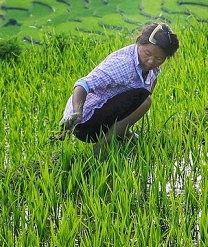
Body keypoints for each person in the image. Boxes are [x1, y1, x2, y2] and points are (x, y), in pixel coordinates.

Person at [56, 22, 179, 157]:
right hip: (85, 121)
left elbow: (134, 100)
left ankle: (121, 133)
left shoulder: (150, 68)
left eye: (159, 58)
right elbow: (83, 84)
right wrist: (77, 112)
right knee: (146, 100)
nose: (151, 61)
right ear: (139, 42)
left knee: (144, 93)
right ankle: (102, 146)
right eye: (147, 54)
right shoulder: (123, 63)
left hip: (100, 114)